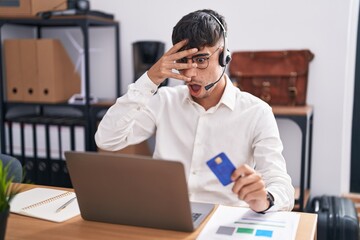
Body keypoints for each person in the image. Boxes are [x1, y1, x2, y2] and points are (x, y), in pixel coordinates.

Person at [95, 9, 294, 213]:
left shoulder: (257, 112)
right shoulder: (165, 101)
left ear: (224, 56)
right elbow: (107, 140)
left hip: (223, 220)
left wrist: (265, 199)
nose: (189, 74)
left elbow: (281, 185)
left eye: (200, 60)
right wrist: (149, 80)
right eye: (182, 61)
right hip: (167, 215)